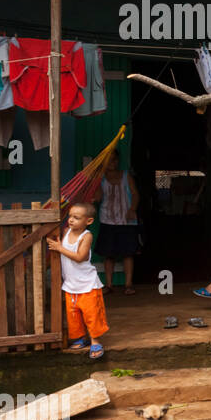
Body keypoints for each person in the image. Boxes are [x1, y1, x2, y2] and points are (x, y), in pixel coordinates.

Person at [47, 202, 109, 360]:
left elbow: (80, 257)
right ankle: (81, 338)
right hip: (71, 284)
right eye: (70, 216)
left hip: (88, 284)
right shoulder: (66, 231)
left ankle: (95, 340)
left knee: (92, 314)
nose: (71, 220)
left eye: (77, 217)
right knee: (73, 314)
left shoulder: (86, 236)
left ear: (88, 221)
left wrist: (60, 248)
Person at [94, 151, 140, 294]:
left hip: (126, 220)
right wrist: (95, 181)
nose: (112, 163)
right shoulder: (101, 179)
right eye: (109, 160)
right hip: (107, 219)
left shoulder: (126, 176)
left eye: (114, 160)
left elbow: (135, 194)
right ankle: (109, 285)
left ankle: (128, 285)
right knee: (108, 254)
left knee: (128, 253)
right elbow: (98, 198)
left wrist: (132, 209)